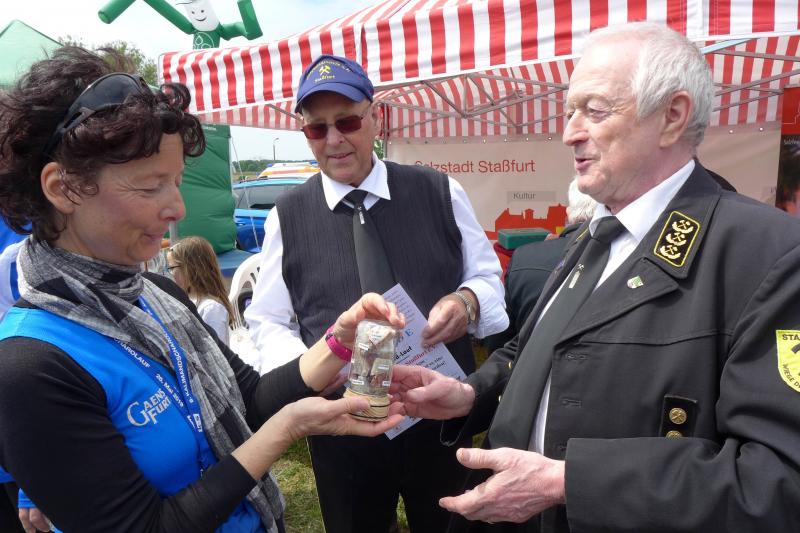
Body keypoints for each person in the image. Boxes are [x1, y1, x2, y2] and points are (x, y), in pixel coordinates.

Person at [390, 21, 800, 532]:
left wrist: (569, 482)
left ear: (672, 117)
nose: (570, 133)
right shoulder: (597, 234)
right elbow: (533, 349)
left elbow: (778, 479)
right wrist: (469, 395)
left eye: (595, 110)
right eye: (569, 111)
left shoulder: (768, 253)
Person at [0, 46, 405, 533]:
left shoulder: (156, 293)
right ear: (62, 188)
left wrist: (339, 340)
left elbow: (250, 396)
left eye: (176, 182)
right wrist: (286, 431)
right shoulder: (29, 366)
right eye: (150, 186)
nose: (177, 208)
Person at [244, 54, 508, 533]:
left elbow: (488, 278)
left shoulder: (439, 190)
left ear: (377, 118)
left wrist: (466, 302)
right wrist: (311, 372)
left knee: (451, 524)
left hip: (438, 412)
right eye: (317, 128)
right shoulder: (288, 213)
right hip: (343, 426)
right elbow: (268, 319)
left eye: (347, 121)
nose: (334, 139)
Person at [485, 179, 596, 351]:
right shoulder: (627, 255)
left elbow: (500, 335)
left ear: (567, 214)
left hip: (531, 361)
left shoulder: (524, 257)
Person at [167, 236, 235, 345]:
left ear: (190, 269)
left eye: (171, 268)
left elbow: (217, 350)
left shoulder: (211, 309)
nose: (170, 274)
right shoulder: (188, 299)